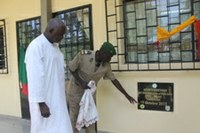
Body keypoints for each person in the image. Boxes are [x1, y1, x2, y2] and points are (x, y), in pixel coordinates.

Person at [68, 42, 137, 133]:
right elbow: (71, 68)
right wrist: (81, 82)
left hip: (90, 94)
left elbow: (114, 80)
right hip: (76, 90)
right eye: (109, 56)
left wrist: (127, 95)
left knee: (91, 117)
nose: (110, 59)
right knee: (75, 116)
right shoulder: (84, 55)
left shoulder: (106, 65)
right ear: (102, 52)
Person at [25, 18, 73, 133]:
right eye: (60, 34)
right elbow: (35, 77)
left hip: (57, 99)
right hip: (45, 102)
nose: (62, 37)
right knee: (45, 129)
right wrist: (41, 104)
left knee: (62, 127)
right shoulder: (36, 47)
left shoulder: (55, 47)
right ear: (50, 30)